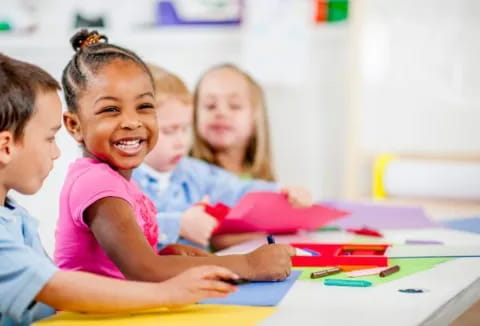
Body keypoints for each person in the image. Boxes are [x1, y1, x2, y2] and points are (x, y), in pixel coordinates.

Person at [0, 50, 237, 326]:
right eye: (49, 139)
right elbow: (55, 289)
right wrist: (166, 292)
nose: (56, 153)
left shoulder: (5, 211)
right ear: (5, 147)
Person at [55, 29, 295, 283]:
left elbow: (135, 262)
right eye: (111, 109)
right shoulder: (97, 184)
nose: (131, 122)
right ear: (74, 126)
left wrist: (169, 254)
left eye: (144, 106)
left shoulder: (122, 181)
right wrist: (248, 264)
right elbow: (144, 270)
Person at [133, 64, 311, 250]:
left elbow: (238, 190)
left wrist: (283, 192)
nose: (181, 142)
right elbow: (119, 227)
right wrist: (177, 225)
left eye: (185, 129)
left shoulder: (194, 171)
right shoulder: (125, 178)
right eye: (169, 131)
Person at [191, 64, 276, 181]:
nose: (221, 112)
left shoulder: (263, 184)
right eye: (210, 106)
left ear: (255, 118)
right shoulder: (185, 178)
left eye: (235, 106)